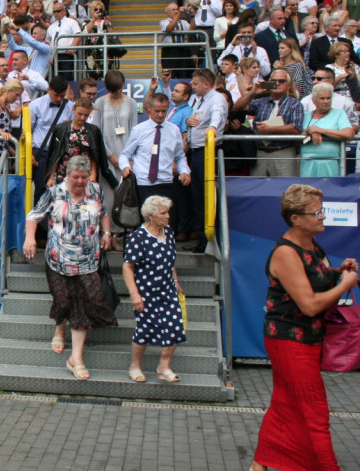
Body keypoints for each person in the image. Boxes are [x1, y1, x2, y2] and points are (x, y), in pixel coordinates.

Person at [247, 184, 360, 471]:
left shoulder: (312, 245)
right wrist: (344, 285)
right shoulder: (285, 252)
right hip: (289, 340)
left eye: (322, 210)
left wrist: (338, 272)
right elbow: (310, 304)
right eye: (317, 213)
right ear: (296, 219)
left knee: (284, 405)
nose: (323, 217)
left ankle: (257, 470)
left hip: (307, 340)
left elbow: (316, 280)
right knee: (315, 415)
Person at [22, 155, 116, 381]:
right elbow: (34, 216)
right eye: (76, 177)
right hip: (59, 258)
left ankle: (76, 358)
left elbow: (103, 212)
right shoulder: (55, 192)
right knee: (63, 299)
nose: (80, 182)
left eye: (84, 177)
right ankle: (59, 329)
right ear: (67, 176)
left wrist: (107, 233)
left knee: (86, 303)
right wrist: (30, 238)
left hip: (87, 260)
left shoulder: (94, 190)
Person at [123, 194, 186, 383]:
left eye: (168, 212)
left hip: (167, 289)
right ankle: (135, 365)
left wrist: (175, 281)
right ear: (151, 215)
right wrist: (134, 294)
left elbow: (170, 260)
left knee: (175, 327)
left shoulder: (169, 233)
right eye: (164, 213)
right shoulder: (138, 237)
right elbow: (128, 267)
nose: (168, 216)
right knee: (145, 329)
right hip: (146, 291)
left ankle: (163, 366)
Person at [118, 92, 191, 207]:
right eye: (157, 111)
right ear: (149, 109)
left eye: (164, 111)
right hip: (143, 183)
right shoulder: (139, 130)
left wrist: (184, 171)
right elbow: (125, 154)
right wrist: (125, 167)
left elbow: (180, 156)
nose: (160, 115)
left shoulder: (174, 130)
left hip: (165, 183)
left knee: (164, 219)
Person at [185, 68, 228, 253]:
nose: (193, 87)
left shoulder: (216, 98)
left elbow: (217, 115)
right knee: (197, 196)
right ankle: (201, 238)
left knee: (206, 196)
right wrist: (187, 121)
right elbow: (192, 117)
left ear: (206, 84)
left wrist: (212, 127)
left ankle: (209, 241)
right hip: (194, 151)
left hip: (207, 152)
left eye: (195, 84)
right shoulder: (196, 99)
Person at [91, 69, 138, 183]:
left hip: (127, 154)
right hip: (107, 155)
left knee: (126, 195)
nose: (118, 92)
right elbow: (96, 131)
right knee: (109, 196)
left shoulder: (131, 102)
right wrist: (110, 156)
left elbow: (134, 132)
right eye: (114, 89)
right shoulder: (100, 102)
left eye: (120, 88)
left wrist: (129, 158)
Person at [300, 82, 353, 177]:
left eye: (328, 98)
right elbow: (299, 137)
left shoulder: (339, 113)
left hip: (330, 162)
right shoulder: (306, 116)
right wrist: (311, 134)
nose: (326, 101)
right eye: (322, 98)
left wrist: (321, 131)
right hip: (307, 163)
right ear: (314, 100)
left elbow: (349, 134)